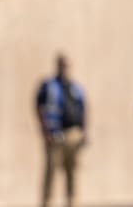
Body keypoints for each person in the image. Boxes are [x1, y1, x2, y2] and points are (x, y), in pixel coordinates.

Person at [36, 53, 87, 207]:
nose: (64, 68)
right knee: (51, 172)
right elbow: (39, 107)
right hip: (55, 134)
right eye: (62, 65)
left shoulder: (75, 87)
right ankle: (46, 202)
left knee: (72, 172)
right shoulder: (48, 86)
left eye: (67, 65)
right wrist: (45, 131)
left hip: (73, 134)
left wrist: (83, 132)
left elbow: (83, 109)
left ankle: (71, 202)